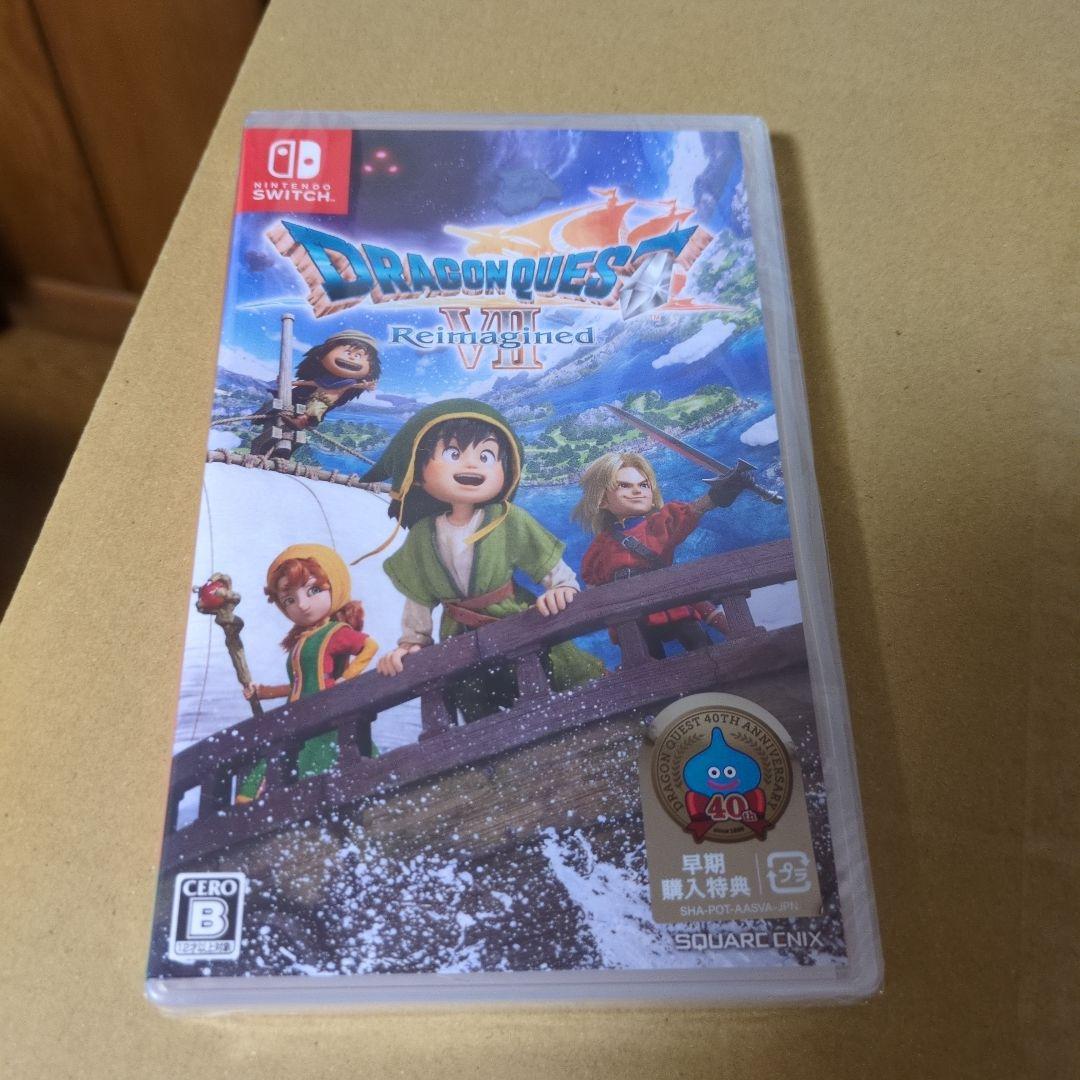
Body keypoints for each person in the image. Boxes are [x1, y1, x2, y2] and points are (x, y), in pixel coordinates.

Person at [361, 399, 604, 721]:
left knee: (556, 687)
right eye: (453, 454)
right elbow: (418, 600)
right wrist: (412, 643)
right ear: (418, 470)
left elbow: (551, 569)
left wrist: (562, 588)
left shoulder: (507, 519)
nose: (472, 465)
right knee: (482, 709)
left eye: (486, 456)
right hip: (460, 639)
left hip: (517, 622)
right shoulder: (421, 536)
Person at [235, 543, 377, 803]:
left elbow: (369, 646)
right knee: (263, 780)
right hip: (296, 716)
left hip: (324, 717)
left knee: (313, 772)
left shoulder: (335, 632)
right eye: (289, 600)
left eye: (313, 590)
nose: (302, 604)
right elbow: (300, 684)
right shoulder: (301, 642)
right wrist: (264, 692)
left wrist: (346, 679)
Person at [573, 451, 743, 660]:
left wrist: (717, 496)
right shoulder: (600, 547)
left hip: (671, 604)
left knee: (703, 649)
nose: (637, 490)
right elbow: (593, 587)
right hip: (632, 617)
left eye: (644, 485)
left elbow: (692, 511)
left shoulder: (658, 524)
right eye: (624, 485)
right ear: (601, 500)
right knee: (648, 663)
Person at [251, 330, 380, 455]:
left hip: (322, 401)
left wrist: (365, 386)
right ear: (323, 354)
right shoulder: (325, 379)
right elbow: (313, 383)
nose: (351, 357)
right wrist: (290, 383)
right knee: (282, 401)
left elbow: (354, 386)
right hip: (311, 397)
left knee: (313, 410)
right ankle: (267, 416)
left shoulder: (349, 383)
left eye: (358, 356)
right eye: (348, 352)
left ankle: (300, 422)